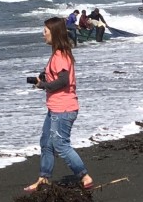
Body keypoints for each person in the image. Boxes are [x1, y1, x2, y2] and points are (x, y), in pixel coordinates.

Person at [24, 17, 94, 192]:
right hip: (55, 108)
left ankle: (84, 176)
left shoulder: (61, 54)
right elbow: (56, 75)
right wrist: (44, 77)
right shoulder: (57, 54)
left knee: (61, 144)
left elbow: (63, 81)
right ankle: (44, 178)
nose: (43, 34)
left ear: (54, 33)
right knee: (46, 142)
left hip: (64, 109)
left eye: (45, 31)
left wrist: (43, 85)